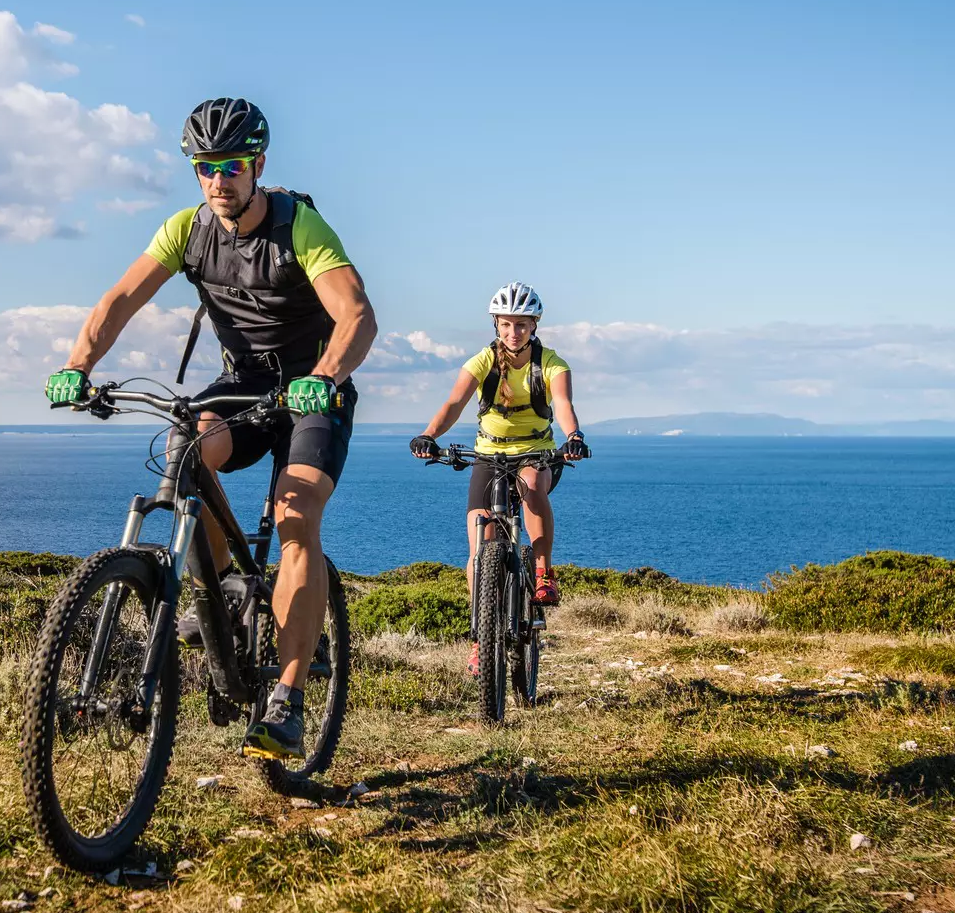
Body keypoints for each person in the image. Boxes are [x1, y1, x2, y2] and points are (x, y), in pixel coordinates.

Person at [45, 97, 377, 761]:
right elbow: (120, 299)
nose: (218, 180)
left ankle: (285, 700)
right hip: (246, 380)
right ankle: (221, 595)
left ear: (256, 164)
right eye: (204, 168)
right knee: (185, 445)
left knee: (295, 516)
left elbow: (356, 314)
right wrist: (78, 364)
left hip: (314, 386)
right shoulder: (187, 229)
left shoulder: (299, 228)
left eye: (230, 166)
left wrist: (328, 373)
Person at [410, 282, 589, 673]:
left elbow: (562, 403)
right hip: (489, 454)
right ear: (496, 324)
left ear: (534, 325)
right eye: (507, 325)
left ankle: (542, 571)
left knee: (530, 487)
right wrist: (429, 435)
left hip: (536, 451)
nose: (513, 332)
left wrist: (573, 436)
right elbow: (454, 403)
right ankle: (480, 637)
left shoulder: (552, 363)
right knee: (479, 538)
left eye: (522, 325)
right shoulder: (483, 361)